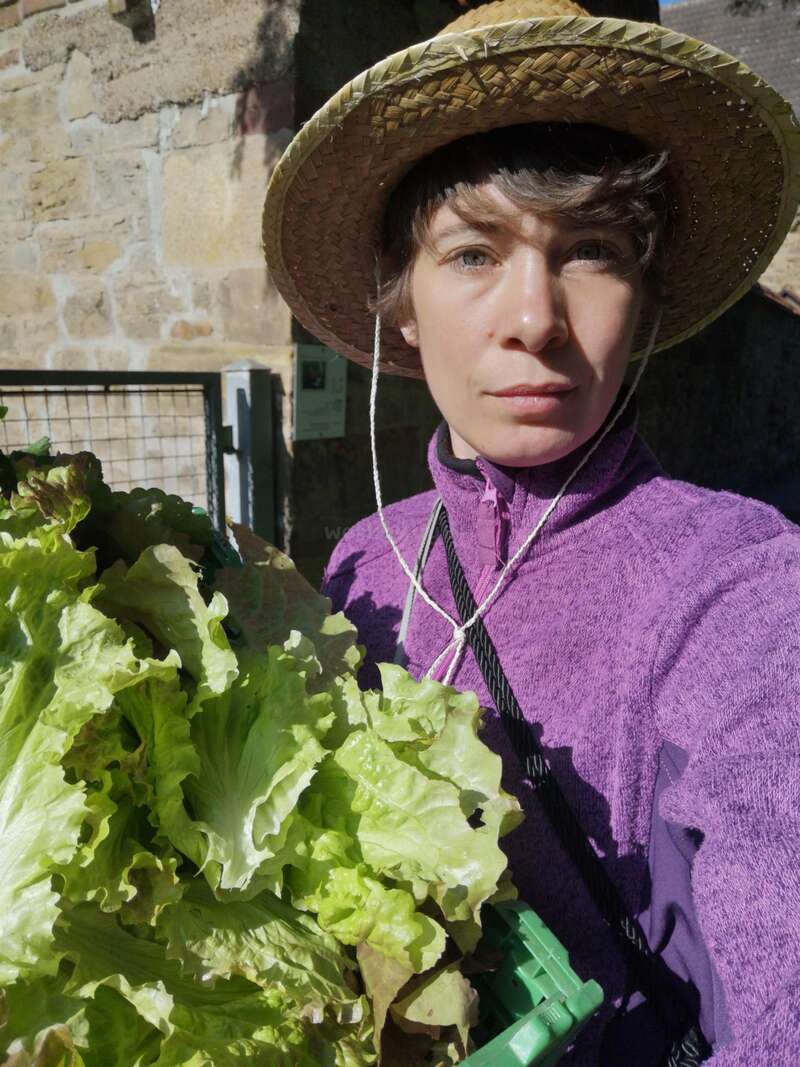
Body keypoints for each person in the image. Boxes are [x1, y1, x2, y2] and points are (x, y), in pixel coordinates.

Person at [263, 1, 800, 1063]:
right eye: (471, 254)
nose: (535, 318)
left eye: (589, 252)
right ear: (400, 308)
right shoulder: (366, 559)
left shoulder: (739, 586)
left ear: (642, 304)